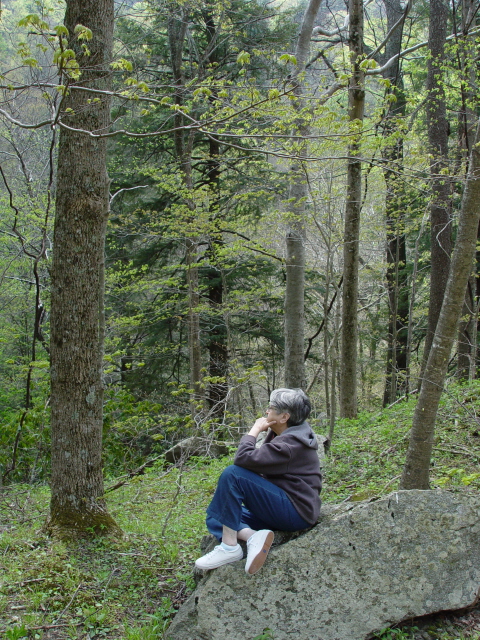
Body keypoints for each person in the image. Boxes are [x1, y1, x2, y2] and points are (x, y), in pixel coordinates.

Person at [195, 388, 322, 575]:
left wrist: (254, 430)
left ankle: (230, 548)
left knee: (233, 474)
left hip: (294, 511)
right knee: (218, 515)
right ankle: (254, 537)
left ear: (284, 417)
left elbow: (242, 460)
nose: (266, 412)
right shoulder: (288, 434)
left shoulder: (290, 444)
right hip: (283, 505)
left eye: (271, 408)